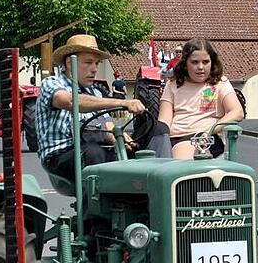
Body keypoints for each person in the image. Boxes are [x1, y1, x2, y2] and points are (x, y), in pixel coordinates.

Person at [36, 34, 145, 181]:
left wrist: (121, 139)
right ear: (69, 63)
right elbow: (71, 102)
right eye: (88, 62)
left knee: (139, 153)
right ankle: (94, 203)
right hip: (60, 156)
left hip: (94, 149)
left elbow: (108, 126)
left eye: (96, 63)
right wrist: (123, 102)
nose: (94, 69)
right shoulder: (51, 84)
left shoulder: (96, 92)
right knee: (92, 152)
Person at [158, 38, 244, 159]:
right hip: (178, 138)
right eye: (194, 62)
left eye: (205, 62)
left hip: (210, 138)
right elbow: (164, 122)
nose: (200, 67)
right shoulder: (173, 84)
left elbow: (237, 112)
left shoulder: (220, 83)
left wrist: (210, 130)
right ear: (185, 64)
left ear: (212, 63)